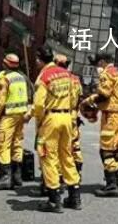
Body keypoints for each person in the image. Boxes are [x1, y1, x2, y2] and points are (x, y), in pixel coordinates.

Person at [32, 46, 81, 213]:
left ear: (40, 59)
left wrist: (39, 118)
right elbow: (74, 98)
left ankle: (54, 200)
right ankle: (75, 197)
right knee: (66, 156)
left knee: (47, 156)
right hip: (67, 117)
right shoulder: (67, 75)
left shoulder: (44, 77)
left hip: (51, 119)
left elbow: (38, 104)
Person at [81, 53, 118, 197]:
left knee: (106, 150)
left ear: (102, 62)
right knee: (117, 149)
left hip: (111, 116)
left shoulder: (106, 74)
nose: (97, 68)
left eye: (97, 64)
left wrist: (90, 100)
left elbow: (104, 94)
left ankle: (111, 185)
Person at [0, 54, 30, 190]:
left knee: (3, 145)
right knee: (17, 143)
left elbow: (0, 102)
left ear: (5, 64)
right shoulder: (21, 77)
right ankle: (17, 177)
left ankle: (5, 177)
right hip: (21, 114)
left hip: (9, 116)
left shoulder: (5, 79)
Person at [54, 54, 84, 177]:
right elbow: (80, 97)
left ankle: (60, 173)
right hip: (73, 115)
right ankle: (76, 170)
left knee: (60, 146)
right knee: (75, 144)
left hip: (61, 113)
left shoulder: (57, 78)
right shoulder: (75, 79)